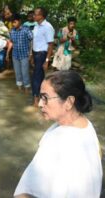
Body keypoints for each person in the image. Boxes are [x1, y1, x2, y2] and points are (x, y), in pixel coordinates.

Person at [14, 70, 102, 198]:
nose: (39, 104)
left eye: (45, 98)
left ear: (69, 102)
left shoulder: (58, 141)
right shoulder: (86, 126)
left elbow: (25, 193)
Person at [32, 7, 54, 107]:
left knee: (36, 77)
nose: (34, 16)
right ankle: (42, 98)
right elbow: (34, 41)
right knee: (39, 77)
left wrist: (47, 60)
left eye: (36, 14)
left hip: (42, 55)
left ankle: (36, 99)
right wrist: (31, 55)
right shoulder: (36, 26)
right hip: (36, 54)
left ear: (42, 16)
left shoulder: (48, 27)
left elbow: (50, 45)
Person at [10, 14, 33, 92]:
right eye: (12, 23)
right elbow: (12, 42)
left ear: (19, 21)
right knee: (17, 72)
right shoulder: (12, 31)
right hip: (15, 55)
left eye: (15, 22)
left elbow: (32, 41)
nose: (13, 24)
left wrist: (30, 54)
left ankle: (27, 87)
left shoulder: (26, 30)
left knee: (25, 72)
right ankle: (19, 87)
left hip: (24, 55)